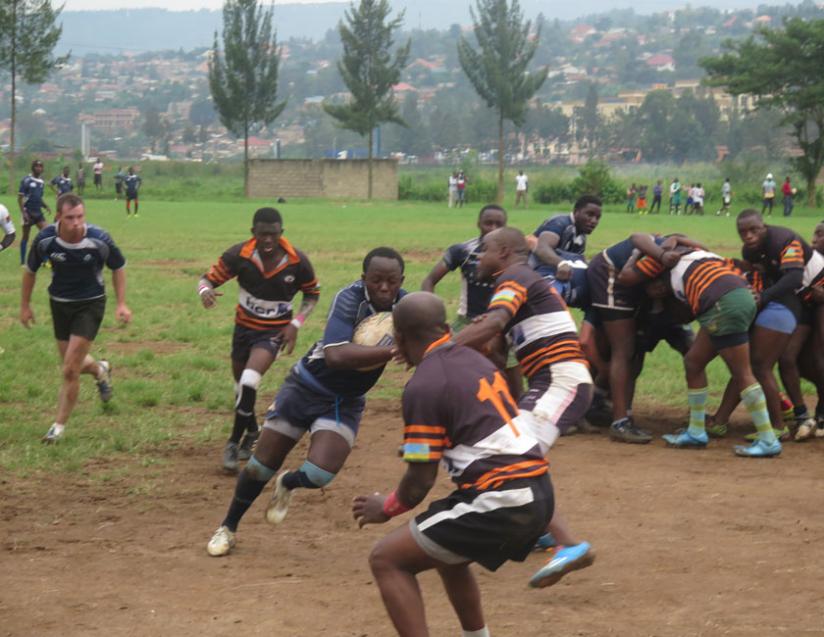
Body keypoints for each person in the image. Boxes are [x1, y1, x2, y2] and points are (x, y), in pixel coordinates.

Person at [353, 292, 554, 637]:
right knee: (445, 550)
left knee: (387, 559)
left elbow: (419, 481)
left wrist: (385, 507)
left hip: (502, 499)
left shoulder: (424, 385)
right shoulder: (475, 359)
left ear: (399, 338)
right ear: (446, 328)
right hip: (538, 490)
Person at [206, 247, 407, 557]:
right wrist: (394, 351)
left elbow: (431, 341)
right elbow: (336, 355)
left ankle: (288, 482)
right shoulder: (349, 298)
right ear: (364, 278)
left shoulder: (407, 307)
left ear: (401, 280)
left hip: (345, 401)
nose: (384, 287)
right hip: (306, 387)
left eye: (391, 281)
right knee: (260, 467)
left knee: (319, 475)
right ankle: (228, 527)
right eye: (376, 280)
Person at [454, 227, 595, 587]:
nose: (478, 258)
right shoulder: (516, 283)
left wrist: (441, 349)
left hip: (562, 381)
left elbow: (498, 322)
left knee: (516, 457)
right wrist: (483, 338)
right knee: (515, 454)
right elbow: (500, 355)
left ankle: (569, 544)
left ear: (502, 252)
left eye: (484, 251)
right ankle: (547, 532)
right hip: (551, 383)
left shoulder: (515, 276)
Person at [618, 243, 782, 457]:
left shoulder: (662, 258)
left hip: (722, 302)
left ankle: (768, 438)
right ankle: (696, 431)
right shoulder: (698, 253)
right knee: (693, 362)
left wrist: (637, 253)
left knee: (742, 372)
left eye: (652, 284)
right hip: (729, 298)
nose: (654, 290)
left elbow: (627, 275)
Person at [198, 207, 320, 472]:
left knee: (249, 381)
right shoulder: (239, 255)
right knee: (239, 389)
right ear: (253, 233)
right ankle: (252, 432)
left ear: (281, 233)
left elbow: (312, 294)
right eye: (263, 234)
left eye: (273, 235)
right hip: (243, 331)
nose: (268, 240)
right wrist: (205, 290)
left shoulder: (297, 261)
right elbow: (207, 278)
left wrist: (295, 324)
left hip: (273, 334)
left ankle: (233, 442)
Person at [20, 193, 131, 443]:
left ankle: (58, 427)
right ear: (58, 217)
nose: (76, 222)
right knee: (76, 365)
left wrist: (121, 303)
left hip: (90, 305)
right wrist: (25, 306)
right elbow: (30, 272)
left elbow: (119, 266)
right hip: (59, 304)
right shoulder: (46, 240)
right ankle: (101, 369)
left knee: (69, 369)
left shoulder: (98, 239)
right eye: (70, 217)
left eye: (80, 216)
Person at [586, 233, 696, 443]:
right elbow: (637, 238)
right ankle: (619, 421)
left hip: (642, 289)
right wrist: (662, 254)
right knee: (625, 350)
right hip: (610, 276)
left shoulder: (685, 267)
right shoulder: (655, 257)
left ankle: (696, 417)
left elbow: (679, 236)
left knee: (688, 348)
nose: (659, 288)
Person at [530, 195, 602, 281]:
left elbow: (576, 260)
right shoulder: (560, 223)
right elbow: (542, 248)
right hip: (530, 272)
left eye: (598, 218)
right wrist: (561, 263)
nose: (594, 221)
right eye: (589, 215)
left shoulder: (581, 236)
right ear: (576, 212)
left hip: (548, 274)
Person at [18, 159, 52, 266]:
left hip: (38, 213)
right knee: (25, 237)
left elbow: (38, 197)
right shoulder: (26, 180)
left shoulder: (41, 182)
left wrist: (45, 206)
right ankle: (23, 262)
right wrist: (23, 213)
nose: (39, 168)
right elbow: (20, 198)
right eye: (37, 166)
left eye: (41, 166)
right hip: (28, 213)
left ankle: (45, 260)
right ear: (33, 168)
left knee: (47, 234)